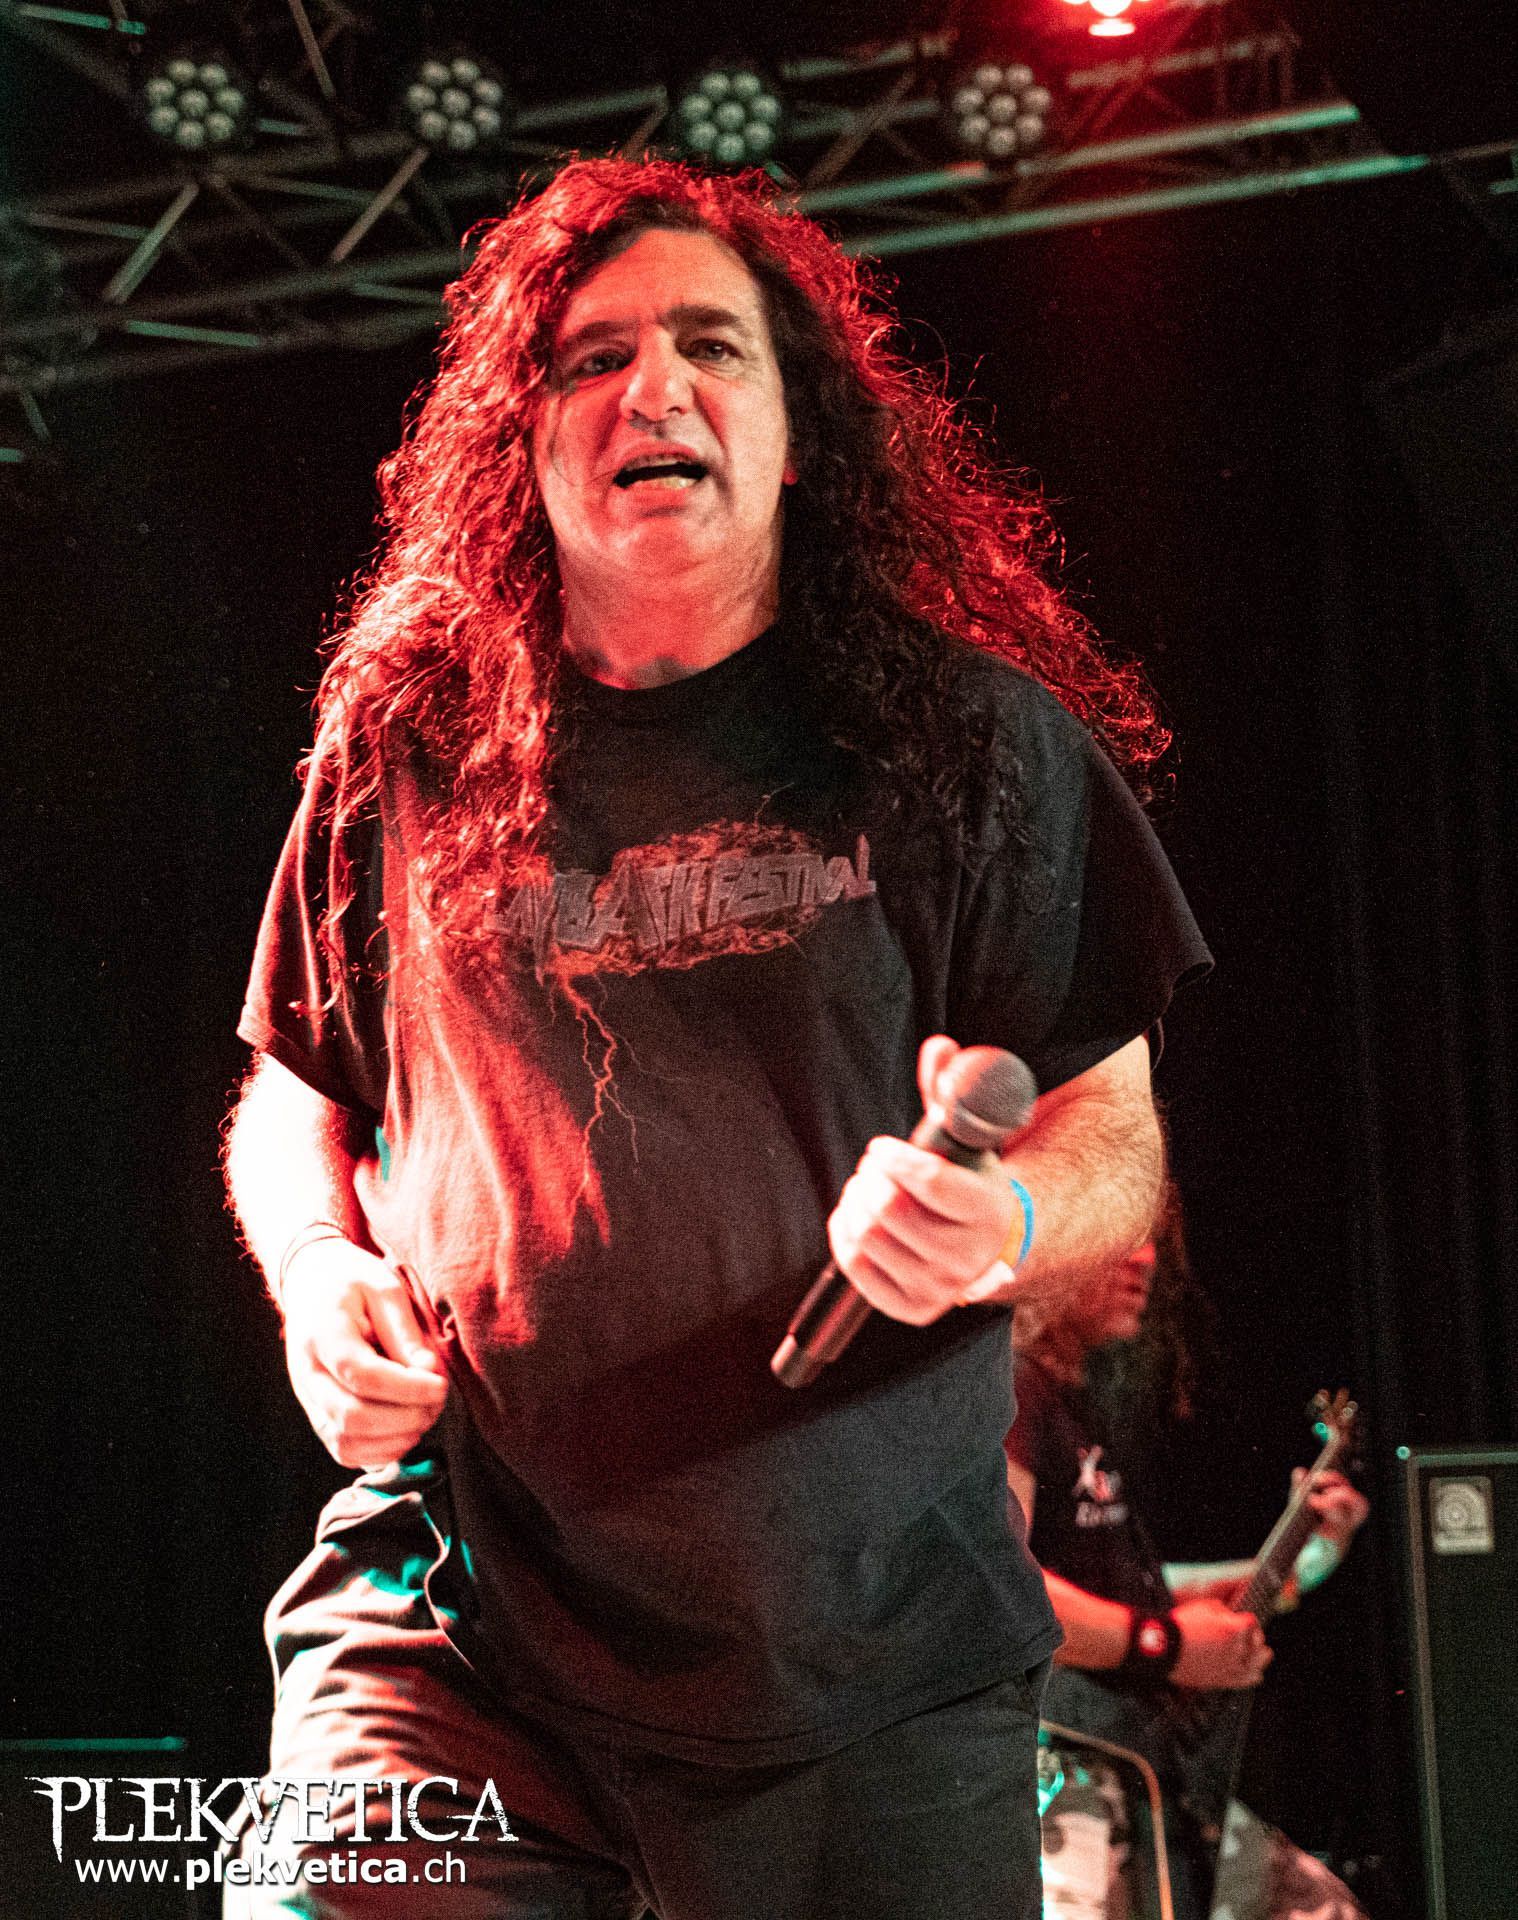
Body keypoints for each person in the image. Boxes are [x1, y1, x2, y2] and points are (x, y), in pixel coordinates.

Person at [223, 155, 1211, 1919]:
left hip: (870, 1661)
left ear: (801, 431)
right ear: (521, 445)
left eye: (709, 346)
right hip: (455, 1627)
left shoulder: (974, 750)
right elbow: (295, 1093)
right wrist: (313, 1269)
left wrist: (1000, 1226)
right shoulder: (406, 750)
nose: (652, 389)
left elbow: (1111, 1138)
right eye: (591, 359)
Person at [1006, 1191, 1370, 1920]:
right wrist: (1168, 1645)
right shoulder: (1012, 1390)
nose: (1144, 1260)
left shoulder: (1076, 1406)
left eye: (1150, 1241)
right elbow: (1004, 1590)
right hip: (1068, 1778)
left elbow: (1128, 1590)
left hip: (1141, 1771)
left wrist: (1307, 1556)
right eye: (1118, 1238)